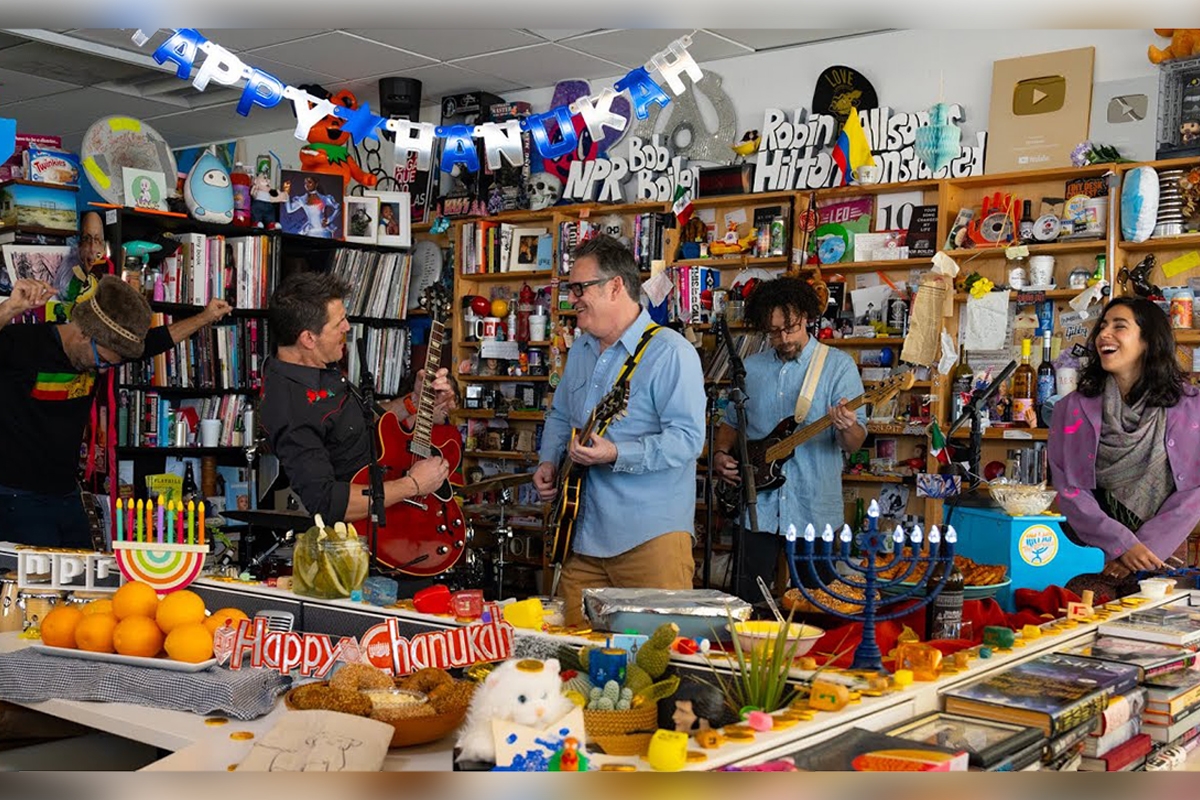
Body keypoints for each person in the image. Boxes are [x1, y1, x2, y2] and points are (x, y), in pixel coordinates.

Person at [533, 235, 705, 626]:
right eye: (569, 288)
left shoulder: (671, 353)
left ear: (615, 287)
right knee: (572, 655)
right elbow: (561, 414)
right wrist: (548, 460)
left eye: (580, 288)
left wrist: (616, 453)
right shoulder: (580, 350)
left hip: (650, 540)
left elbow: (688, 440)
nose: (572, 298)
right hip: (582, 536)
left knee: (657, 659)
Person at [0, 275, 231, 548]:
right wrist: (10, 308)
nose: (101, 370)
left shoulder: (101, 352)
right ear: (84, 333)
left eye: (110, 365)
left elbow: (156, 341)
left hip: (66, 494)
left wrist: (205, 317)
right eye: (102, 360)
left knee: (86, 577)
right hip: (16, 496)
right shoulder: (23, 345)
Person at [712, 276, 866, 600]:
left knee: (817, 606)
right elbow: (730, 423)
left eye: (791, 328)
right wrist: (721, 454)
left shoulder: (838, 367)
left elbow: (854, 443)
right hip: (756, 509)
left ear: (807, 317)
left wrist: (845, 425)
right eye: (774, 331)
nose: (783, 338)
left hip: (813, 509)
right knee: (744, 605)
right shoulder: (749, 369)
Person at [260, 271, 456, 525]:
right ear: (308, 338)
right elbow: (327, 502)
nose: (347, 327)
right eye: (338, 322)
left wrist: (414, 401)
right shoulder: (290, 407)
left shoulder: (319, 367)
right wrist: (413, 485)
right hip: (360, 538)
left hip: (393, 510)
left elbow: (357, 421)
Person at [1049, 297, 1200, 596]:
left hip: (1160, 553)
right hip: (1088, 553)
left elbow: (1194, 490)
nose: (1104, 334)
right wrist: (1119, 544)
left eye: (1119, 326)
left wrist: (1142, 549)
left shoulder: (1191, 407)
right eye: (1103, 326)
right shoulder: (1072, 408)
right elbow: (1067, 487)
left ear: (1148, 340)